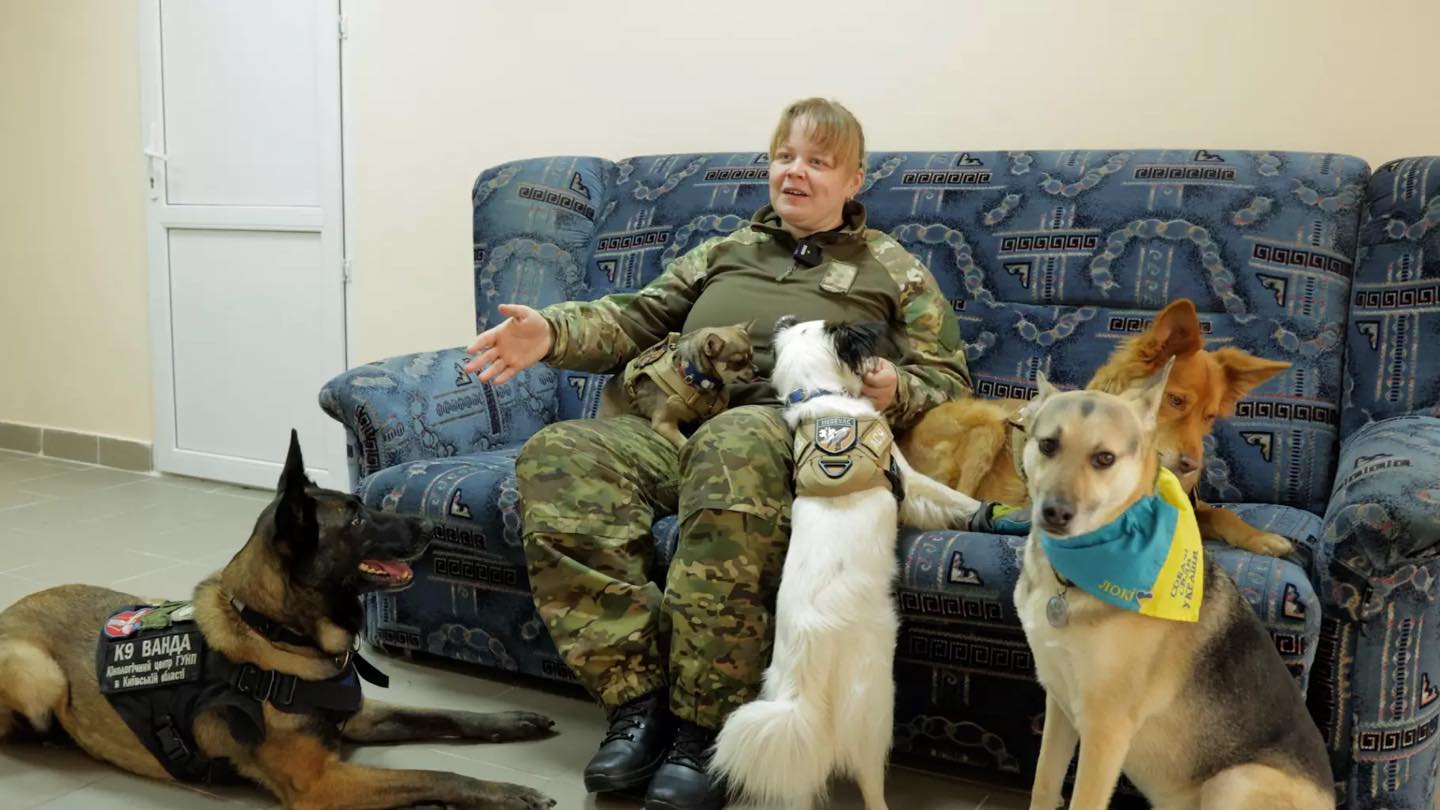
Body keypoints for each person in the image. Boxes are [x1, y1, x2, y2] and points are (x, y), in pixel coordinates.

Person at [462, 97, 970, 810]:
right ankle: (637, 704)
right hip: (678, 430)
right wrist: (552, 332)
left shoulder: (892, 269)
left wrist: (897, 388)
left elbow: (949, 381)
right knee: (561, 454)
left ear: (854, 179)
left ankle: (704, 729)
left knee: (732, 445)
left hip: (788, 436)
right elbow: (633, 316)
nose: (795, 172)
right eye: (784, 156)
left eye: (818, 161)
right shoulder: (724, 251)